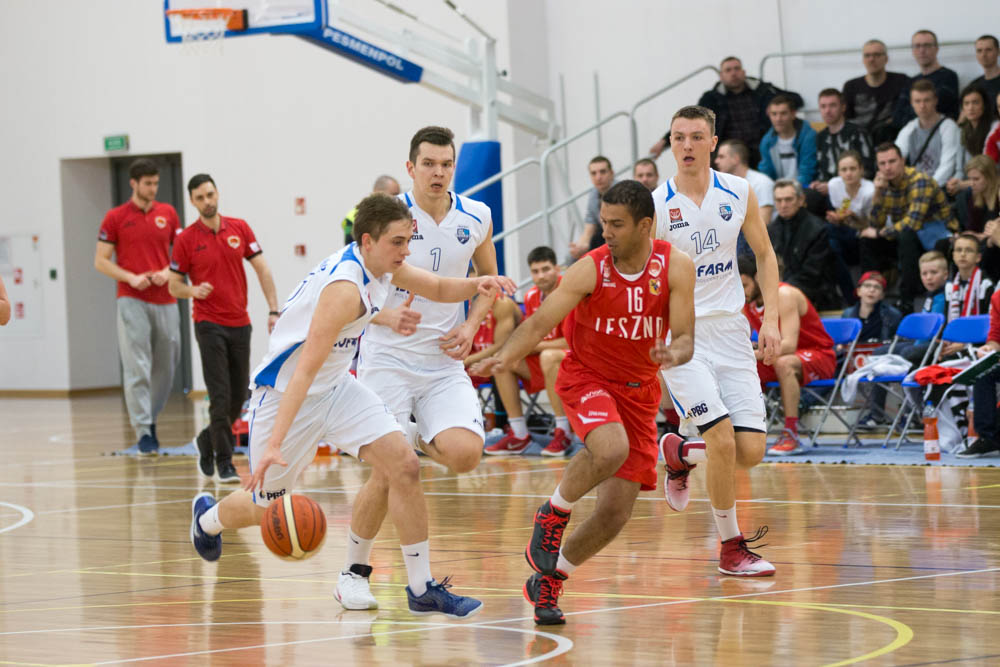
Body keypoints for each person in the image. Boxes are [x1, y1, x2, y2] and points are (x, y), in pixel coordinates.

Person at [190, 193, 514, 618]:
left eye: (408, 240)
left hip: (338, 389)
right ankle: (208, 520)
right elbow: (303, 371)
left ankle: (422, 587)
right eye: (398, 242)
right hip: (288, 397)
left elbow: (435, 286)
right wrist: (272, 443)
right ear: (368, 240)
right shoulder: (345, 289)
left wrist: (477, 284)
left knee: (403, 464)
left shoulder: (382, 265)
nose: (406, 250)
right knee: (264, 505)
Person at [472, 179, 695, 624]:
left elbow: (687, 336)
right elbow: (539, 323)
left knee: (615, 513)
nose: (605, 231)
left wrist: (675, 352)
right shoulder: (590, 268)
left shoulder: (676, 266)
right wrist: (504, 358)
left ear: (645, 225)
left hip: (640, 392)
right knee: (609, 449)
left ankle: (549, 581)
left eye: (616, 224)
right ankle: (552, 513)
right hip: (588, 376)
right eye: (602, 221)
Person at [344, 126, 499, 606]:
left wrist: (472, 327)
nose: (438, 172)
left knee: (466, 454)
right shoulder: (389, 218)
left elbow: (487, 283)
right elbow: (356, 290)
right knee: (391, 472)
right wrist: (387, 315)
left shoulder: (477, 215)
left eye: (446, 164)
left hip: (442, 361)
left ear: (455, 166)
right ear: (410, 168)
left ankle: (406, 435)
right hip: (387, 358)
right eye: (428, 164)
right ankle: (354, 573)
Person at [652, 105, 782, 577]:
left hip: (732, 328)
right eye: (677, 136)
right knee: (723, 439)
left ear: (713, 141)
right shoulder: (655, 204)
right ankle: (731, 548)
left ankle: (679, 452)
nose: (685, 145)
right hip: (681, 336)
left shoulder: (739, 190)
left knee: (748, 452)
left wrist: (769, 319)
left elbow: (765, 256)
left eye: (695, 136)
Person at [168, 174, 280, 483]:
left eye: (210, 194)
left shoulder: (239, 228)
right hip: (208, 323)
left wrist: (273, 309)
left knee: (238, 394)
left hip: (240, 322)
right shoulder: (186, 239)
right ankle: (224, 461)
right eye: (200, 198)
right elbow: (173, 285)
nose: (207, 201)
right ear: (192, 202)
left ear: (217, 194)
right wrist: (192, 291)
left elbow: (262, 268)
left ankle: (206, 440)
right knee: (219, 394)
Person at [94, 158, 181, 455]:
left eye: (156, 183)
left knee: (168, 363)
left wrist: (167, 274)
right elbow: (101, 260)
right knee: (137, 365)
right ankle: (144, 429)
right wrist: (131, 276)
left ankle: (151, 418)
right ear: (134, 183)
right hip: (131, 298)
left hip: (165, 298)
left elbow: (178, 257)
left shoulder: (168, 213)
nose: (153, 188)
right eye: (148, 184)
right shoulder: (115, 217)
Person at [739, 255, 836, 455]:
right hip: (776, 355)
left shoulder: (784, 294)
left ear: (758, 277)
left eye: (745, 285)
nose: (742, 292)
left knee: (783, 363)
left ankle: (791, 432)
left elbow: (789, 345)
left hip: (818, 355)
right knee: (738, 366)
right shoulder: (745, 302)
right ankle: (745, 430)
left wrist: (750, 353)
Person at [483, 246, 572, 457]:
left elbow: (571, 342)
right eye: (535, 271)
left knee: (548, 356)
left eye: (546, 269)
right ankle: (519, 435)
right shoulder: (532, 296)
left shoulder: (569, 291)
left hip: (572, 362)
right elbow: (528, 337)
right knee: (501, 362)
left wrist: (535, 346)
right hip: (544, 361)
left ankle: (564, 432)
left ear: (557, 269)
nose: (540, 275)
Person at [648, 57, 803, 166]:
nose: (733, 73)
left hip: (762, 145)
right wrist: (663, 142)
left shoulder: (763, 91)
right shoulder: (712, 98)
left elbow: (797, 99)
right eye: (728, 70)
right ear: (721, 76)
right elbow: (690, 121)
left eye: (737, 69)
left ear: (744, 72)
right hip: (729, 148)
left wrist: (774, 105)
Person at [868, 142, 959, 310]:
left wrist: (880, 233)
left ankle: (907, 301)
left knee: (905, 235)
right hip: (911, 236)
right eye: (882, 163)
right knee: (866, 240)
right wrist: (878, 193)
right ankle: (869, 298)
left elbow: (912, 222)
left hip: (939, 233)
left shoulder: (919, 180)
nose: (888, 167)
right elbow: (874, 223)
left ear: (903, 160)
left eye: (892, 161)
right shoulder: (884, 184)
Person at [768, 179, 841, 309]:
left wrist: (782, 290)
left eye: (788, 199)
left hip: (814, 296)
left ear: (801, 200)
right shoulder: (771, 230)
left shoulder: (818, 229)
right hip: (780, 292)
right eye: (778, 200)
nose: (783, 205)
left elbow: (813, 273)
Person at [895, 80, 962, 187]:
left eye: (926, 100)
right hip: (914, 187)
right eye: (917, 101)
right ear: (911, 103)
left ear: (935, 101)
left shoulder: (949, 127)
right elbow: (895, 157)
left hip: (939, 187)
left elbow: (948, 165)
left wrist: (927, 188)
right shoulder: (909, 129)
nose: (922, 105)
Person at [843, 39, 911, 144]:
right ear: (863, 59)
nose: (871, 59)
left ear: (886, 58)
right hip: (860, 145)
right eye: (867, 55)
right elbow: (846, 123)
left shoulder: (902, 82)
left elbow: (906, 117)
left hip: (894, 145)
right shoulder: (851, 86)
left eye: (877, 55)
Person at [960, 288, 1000, 458]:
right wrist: (989, 348)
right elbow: (996, 336)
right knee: (983, 372)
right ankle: (987, 437)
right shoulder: (998, 297)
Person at [813, 88, 875, 195]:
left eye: (832, 105)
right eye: (823, 106)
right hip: (827, 190)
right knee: (809, 196)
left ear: (843, 107)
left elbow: (868, 170)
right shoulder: (820, 137)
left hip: (855, 190)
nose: (827, 111)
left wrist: (835, 187)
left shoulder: (858, 133)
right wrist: (818, 183)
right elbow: (821, 169)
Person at [757, 95, 817, 190]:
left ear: (793, 114)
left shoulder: (808, 136)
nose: (778, 119)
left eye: (783, 113)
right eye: (774, 114)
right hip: (778, 191)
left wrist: (789, 190)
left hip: (804, 188)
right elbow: (765, 173)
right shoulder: (767, 141)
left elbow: (807, 172)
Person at [947, 86, 999, 196]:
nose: (971, 108)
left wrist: (964, 184)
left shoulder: (994, 128)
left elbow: (991, 171)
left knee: (965, 195)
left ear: (984, 105)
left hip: (992, 181)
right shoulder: (961, 130)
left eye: (975, 103)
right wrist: (955, 182)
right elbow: (960, 169)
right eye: (966, 103)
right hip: (969, 181)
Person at [900, 29, 960, 121]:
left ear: (936, 49)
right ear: (912, 50)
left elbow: (935, 109)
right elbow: (898, 116)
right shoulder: (910, 82)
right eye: (917, 46)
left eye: (927, 45)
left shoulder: (948, 77)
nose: (922, 50)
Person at [715, 139, 775, 223]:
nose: (716, 161)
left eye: (721, 157)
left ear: (736, 159)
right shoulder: (723, 185)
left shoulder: (761, 183)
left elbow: (763, 222)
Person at [570, 156, 614, 259]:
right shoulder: (593, 195)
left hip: (621, 240)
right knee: (571, 257)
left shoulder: (622, 191)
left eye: (602, 172)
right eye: (593, 173)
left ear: (611, 173)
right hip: (604, 238)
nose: (598, 177)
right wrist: (580, 246)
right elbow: (589, 228)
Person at [843, 271, 903, 343]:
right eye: (867, 286)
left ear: (882, 295)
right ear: (858, 291)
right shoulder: (847, 314)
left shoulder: (893, 315)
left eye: (877, 287)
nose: (872, 290)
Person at [341, 175, 401, 245]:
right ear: (377, 192)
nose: (397, 198)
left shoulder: (394, 214)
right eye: (394, 195)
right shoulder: (354, 216)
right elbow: (351, 247)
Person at [971, 35, 1000, 104]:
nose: (983, 55)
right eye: (979, 51)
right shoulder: (974, 85)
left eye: (988, 50)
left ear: (998, 52)